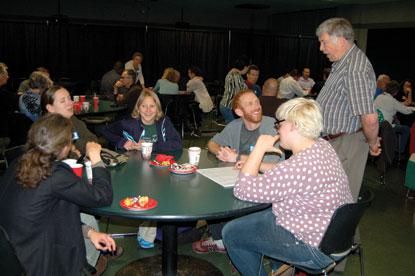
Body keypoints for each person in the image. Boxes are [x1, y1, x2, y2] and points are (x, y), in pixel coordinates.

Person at [221, 98, 353, 276]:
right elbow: (287, 173)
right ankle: (279, 268)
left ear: (294, 125)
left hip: (312, 246)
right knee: (264, 218)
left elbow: (243, 190)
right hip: (334, 237)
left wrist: (258, 149)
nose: (277, 129)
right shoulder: (321, 147)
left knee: (232, 233)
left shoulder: (299, 166)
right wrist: (258, 165)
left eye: (279, 124)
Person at [0, 113, 115, 276]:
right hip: (36, 260)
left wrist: (89, 232)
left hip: (16, 251)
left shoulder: (19, 162)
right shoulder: (55, 174)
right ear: (63, 146)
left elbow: (45, 214)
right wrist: (96, 159)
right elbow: (102, 196)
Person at [101, 90, 182, 248]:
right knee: (148, 192)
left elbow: (177, 144)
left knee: (166, 192)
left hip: (160, 171)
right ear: (138, 108)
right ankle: (147, 229)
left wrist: (153, 146)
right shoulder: (128, 123)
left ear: (158, 109)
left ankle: (155, 224)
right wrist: (121, 142)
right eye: (144, 106)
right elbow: (105, 130)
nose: (148, 110)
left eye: (152, 106)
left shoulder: (164, 122)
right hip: (134, 171)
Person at [316, 17, 381, 201]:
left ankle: (346, 231)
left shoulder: (355, 69)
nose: (321, 48)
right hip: (335, 142)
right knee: (327, 200)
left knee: (341, 201)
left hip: (345, 144)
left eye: (324, 42)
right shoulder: (342, 63)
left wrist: (373, 142)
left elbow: (370, 118)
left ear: (341, 39)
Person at [209, 89, 283, 163]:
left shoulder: (272, 125)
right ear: (239, 112)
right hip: (239, 172)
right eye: (250, 104)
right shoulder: (235, 126)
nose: (257, 107)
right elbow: (212, 143)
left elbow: (270, 162)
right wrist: (222, 153)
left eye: (257, 102)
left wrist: (237, 158)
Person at [41, 85, 98, 157]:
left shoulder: (72, 119)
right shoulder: (46, 130)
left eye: (69, 98)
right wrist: (73, 151)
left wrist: (73, 146)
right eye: (63, 101)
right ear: (50, 108)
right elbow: (56, 157)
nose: (71, 103)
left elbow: (93, 140)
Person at [374, 80, 413, 154]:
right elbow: (406, 111)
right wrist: (412, 109)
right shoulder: (393, 101)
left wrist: (400, 104)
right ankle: (398, 151)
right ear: (395, 92)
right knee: (406, 129)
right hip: (387, 127)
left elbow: (394, 104)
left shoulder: (379, 97)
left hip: (376, 125)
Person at [219, 56, 249, 123]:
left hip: (226, 106)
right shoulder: (236, 76)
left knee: (232, 127)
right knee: (233, 128)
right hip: (228, 107)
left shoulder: (232, 73)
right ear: (245, 67)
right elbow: (239, 94)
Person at [186, 66, 214, 135]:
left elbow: (188, 90)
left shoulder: (194, 81)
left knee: (188, 108)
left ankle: (195, 127)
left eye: (189, 73)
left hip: (202, 103)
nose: (188, 74)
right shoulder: (197, 80)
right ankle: (195, 126)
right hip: (204, 101)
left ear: (193, 74)